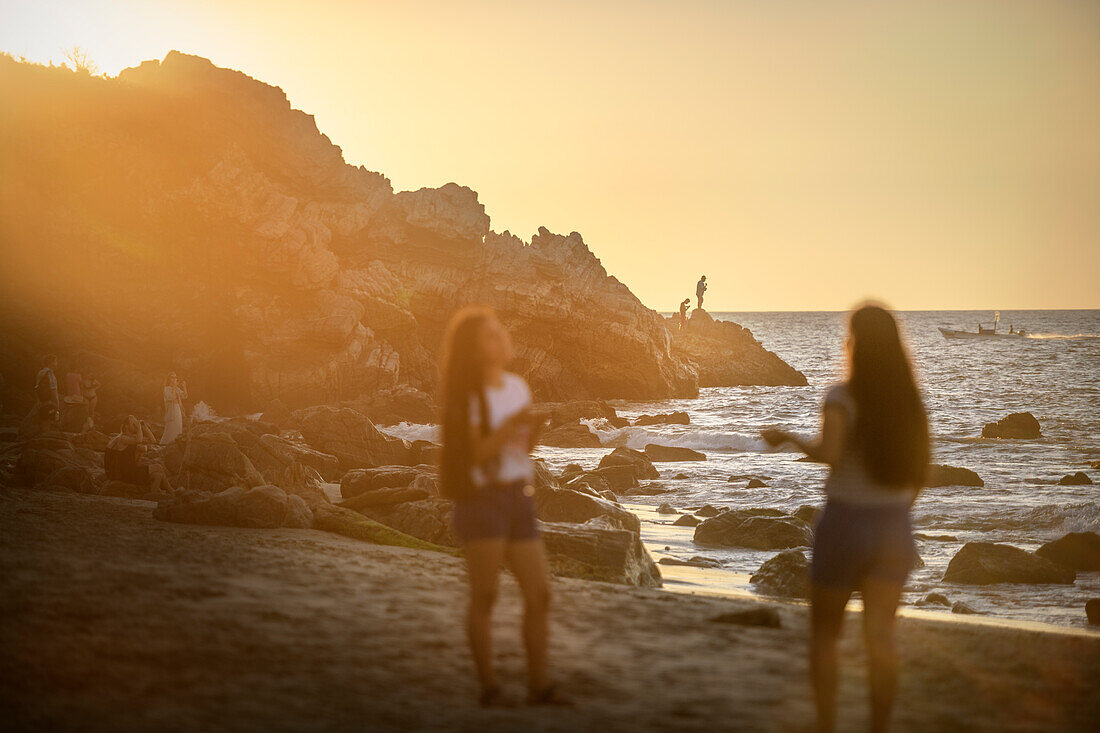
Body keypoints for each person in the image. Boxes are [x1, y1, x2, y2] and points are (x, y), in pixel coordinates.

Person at [761, 304, 928, 733]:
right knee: (882, 641)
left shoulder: (842, 396)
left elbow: (830, 453)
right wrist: (895, 512)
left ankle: (827, 727)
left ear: (854, 342)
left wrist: (788, 437)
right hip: (893, 527)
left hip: (845, 524)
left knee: (825, 638)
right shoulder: (909, 401)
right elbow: (920, 472)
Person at [438, 306, 562, 707]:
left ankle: (539, 687)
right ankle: (490, 688)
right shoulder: (468, 395)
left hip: (518, 497)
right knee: (486, 596)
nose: (503, 337)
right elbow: (475, 455)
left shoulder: (517, 387)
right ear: (475, 351)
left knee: (540, 594)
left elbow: (519, 451)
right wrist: (510, 427)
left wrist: (530, 432)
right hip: (481, 499)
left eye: (500, 331)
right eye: (491, 335)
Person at [105, 415, 174, 493]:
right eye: (133, 423)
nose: (135, 424)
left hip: (131, 471)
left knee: (158, 475)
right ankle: (171, 492)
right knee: (158, 467)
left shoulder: (131, 440)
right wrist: (139, 427)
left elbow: (153, 441)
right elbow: (139, 440)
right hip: (125, 473)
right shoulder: (122, 438)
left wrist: (145, 428)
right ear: (126, 426)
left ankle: (155, 493)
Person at [32, 355, 60, 428]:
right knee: (48, 423)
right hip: (49, 403)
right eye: (56, 361)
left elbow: (36, 388)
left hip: (41, 402)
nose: (57, 364)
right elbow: (53, 390)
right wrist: (57, 404)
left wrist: (38, 401)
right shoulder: (50, 374)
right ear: (51, 363)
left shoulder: (41, 372)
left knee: (41, 422)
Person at [160, 372, 188, 445]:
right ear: (169, 379)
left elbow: (185, 396)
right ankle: (165, 444)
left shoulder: (177, 389)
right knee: (170, 427)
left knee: (178, 426)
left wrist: (184, 386)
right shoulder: (166, 389)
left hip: (177, 409)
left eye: (175, 377)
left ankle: (175, 444)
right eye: (172, 377)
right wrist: (173, 387)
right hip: (171, 411)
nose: (175, 379)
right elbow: (171, 397)